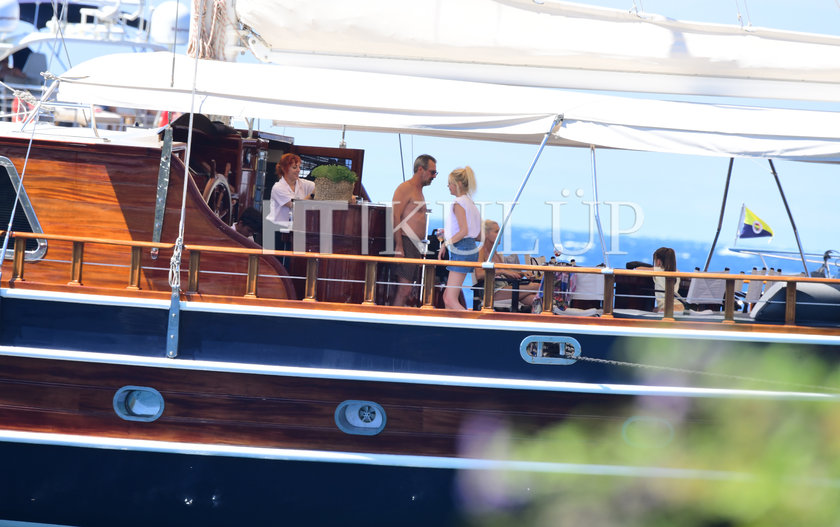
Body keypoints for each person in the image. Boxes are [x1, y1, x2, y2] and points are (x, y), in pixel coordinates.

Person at [391, 154, 437, 306]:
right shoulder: (405, 188)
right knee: (404, 290)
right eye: (432, 172)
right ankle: (392, 319)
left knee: (408, 290)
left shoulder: (419, 190)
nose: (434, 176)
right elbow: (395, 216)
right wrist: (399, 246)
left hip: (415, 245)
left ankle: (397, 316)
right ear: (420, 169)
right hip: (406, 242)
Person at [438, 166, 481, 310]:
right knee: (447, 298)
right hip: (469, 247)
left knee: (449, 299)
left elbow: (463, 231)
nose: (448, 186)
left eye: (450, 183)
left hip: (461, 248)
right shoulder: (470, 203)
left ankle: (472, 321)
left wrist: (445, 244)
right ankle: (450, 323)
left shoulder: (458, 203)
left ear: (459, 184)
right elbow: (476, 234)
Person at [475, 220, 540, 309]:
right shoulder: (480, 252)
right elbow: (479, 275)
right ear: (486, 234)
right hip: (492, 292)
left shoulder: (495, 253)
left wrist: (522, 273)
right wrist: (502, 271)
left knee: (534, 299)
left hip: (504, 288)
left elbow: (506, 273)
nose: (500, 234)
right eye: (496, 232)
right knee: (537, 286)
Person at [266, 153, 314, 226]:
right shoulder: (278, 187)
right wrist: (312, 195)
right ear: (284, 169)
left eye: (299, 167)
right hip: (276, 227)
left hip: (294, 227)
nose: (298, 170)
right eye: (294, 167)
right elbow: (295, 205)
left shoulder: (303, 183)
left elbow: (318, 187)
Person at [651, 246, 684, 312]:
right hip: (681, 305)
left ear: (658, 261)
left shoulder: (657, 270)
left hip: (667, 307)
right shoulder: (677, 272)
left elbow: (638, 269)